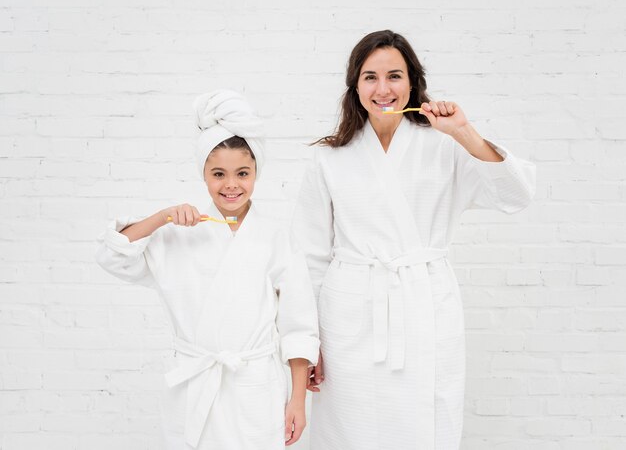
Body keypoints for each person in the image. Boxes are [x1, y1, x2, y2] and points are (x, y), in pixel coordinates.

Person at [292, 30, 536, 450]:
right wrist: (307, 341)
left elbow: (516, 195)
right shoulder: (328, 157)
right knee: (350, 427)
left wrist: (464, 132)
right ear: (355, 86)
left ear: (412, 82)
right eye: (370, 77)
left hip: (424, 307)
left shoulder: (445, 144)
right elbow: (307, 256)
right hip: (349, 313)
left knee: (424, 426)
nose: (382, 89)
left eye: (394, 76)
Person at [96, 89, 319, 449]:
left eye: (242, 173)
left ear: (256, 173)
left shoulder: (274, 238)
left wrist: (297, 400)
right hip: (194, 388)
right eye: (219, 174)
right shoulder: (179, 233)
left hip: (255, 391)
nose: (231, 185)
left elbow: (298, 325)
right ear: (204, 175)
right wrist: (162, 218)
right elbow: (114, 257)